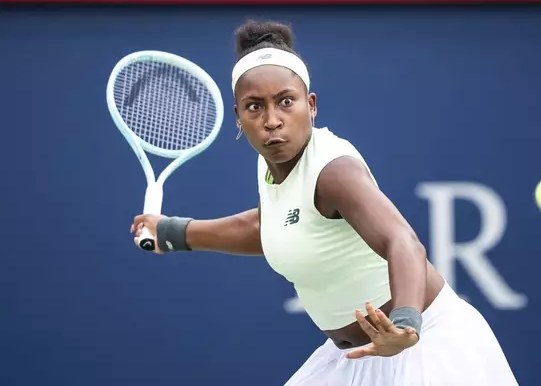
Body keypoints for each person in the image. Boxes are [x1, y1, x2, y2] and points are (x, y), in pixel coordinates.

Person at [131, 20, 519, 386]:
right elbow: (270, 226)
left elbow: (403, 241)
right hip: (351, 361)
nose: (272, 120)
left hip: (423, 347)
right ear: (238, 117)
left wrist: (404, 325)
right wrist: (172, 232)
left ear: (311, 105)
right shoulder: (269, 164)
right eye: (255, 107)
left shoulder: (334, 170)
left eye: (286, 102)